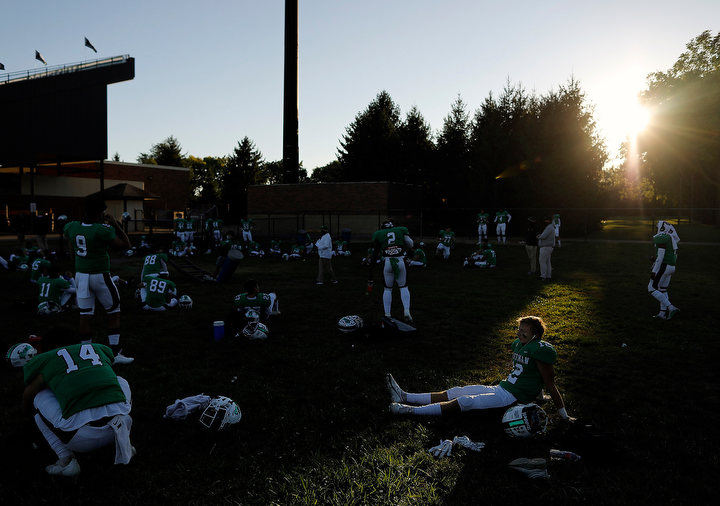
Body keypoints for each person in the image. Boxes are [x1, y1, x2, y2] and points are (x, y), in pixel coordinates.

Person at [387, 316, 571, 420]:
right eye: (519, 328)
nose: (519, 332)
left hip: (511, 397)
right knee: (456, 391)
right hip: (502, 387)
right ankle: (405, 396)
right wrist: (539, 397)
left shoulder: (539, 352)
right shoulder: (521, 345)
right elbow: (529, 375)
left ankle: (408, 410)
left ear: (535, 334)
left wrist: (564, 416)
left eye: (524, 330)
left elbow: (549, 383)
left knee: (467, 401)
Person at [21, 327, 135, 476]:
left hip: (81, 439)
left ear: (53, 348)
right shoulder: (97, 349)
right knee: (119, 380)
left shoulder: (49, 359)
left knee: (39, 396)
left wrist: (25, 415)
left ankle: (66, 459)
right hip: (121, 424)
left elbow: (28, 393)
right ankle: (125, 442)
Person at [63, 197, 133, 364]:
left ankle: (86, 354)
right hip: (100, 275)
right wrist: (116, 225)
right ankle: (114, 354)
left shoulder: (71, 227)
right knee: (114, 311)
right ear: (99, 212)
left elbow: (71, 250)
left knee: (85, 314)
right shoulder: (102, 229)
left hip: (81, 275)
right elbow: (125, 244)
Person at [370, 218, 414, 322]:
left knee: (388, 289)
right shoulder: (400, 230)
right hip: (400, 260)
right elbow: (410, 244)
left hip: (388, 262)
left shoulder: (379, 233)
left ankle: (387, 314)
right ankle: (407, 311)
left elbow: (375, 252)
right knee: (403, 287)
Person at [648, 220, 680, 320]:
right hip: (671, 267)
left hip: (664, 266)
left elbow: (661, 257)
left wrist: (654, 271)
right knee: (662, 290)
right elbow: (669, 255)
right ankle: (662, 314)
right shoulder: (671, 238)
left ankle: (671, 308)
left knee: (651, 288)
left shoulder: (663, 238)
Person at [537, 216, 555, 281]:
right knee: (547, 262)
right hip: (548, 247)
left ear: (549, 221)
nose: (545, 221)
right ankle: (548, 276)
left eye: (546, 220)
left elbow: (543, 236)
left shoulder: (549, 227)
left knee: (542, 261)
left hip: (545, 247)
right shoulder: (550, 227)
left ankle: (543, 276)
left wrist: (539, 236)